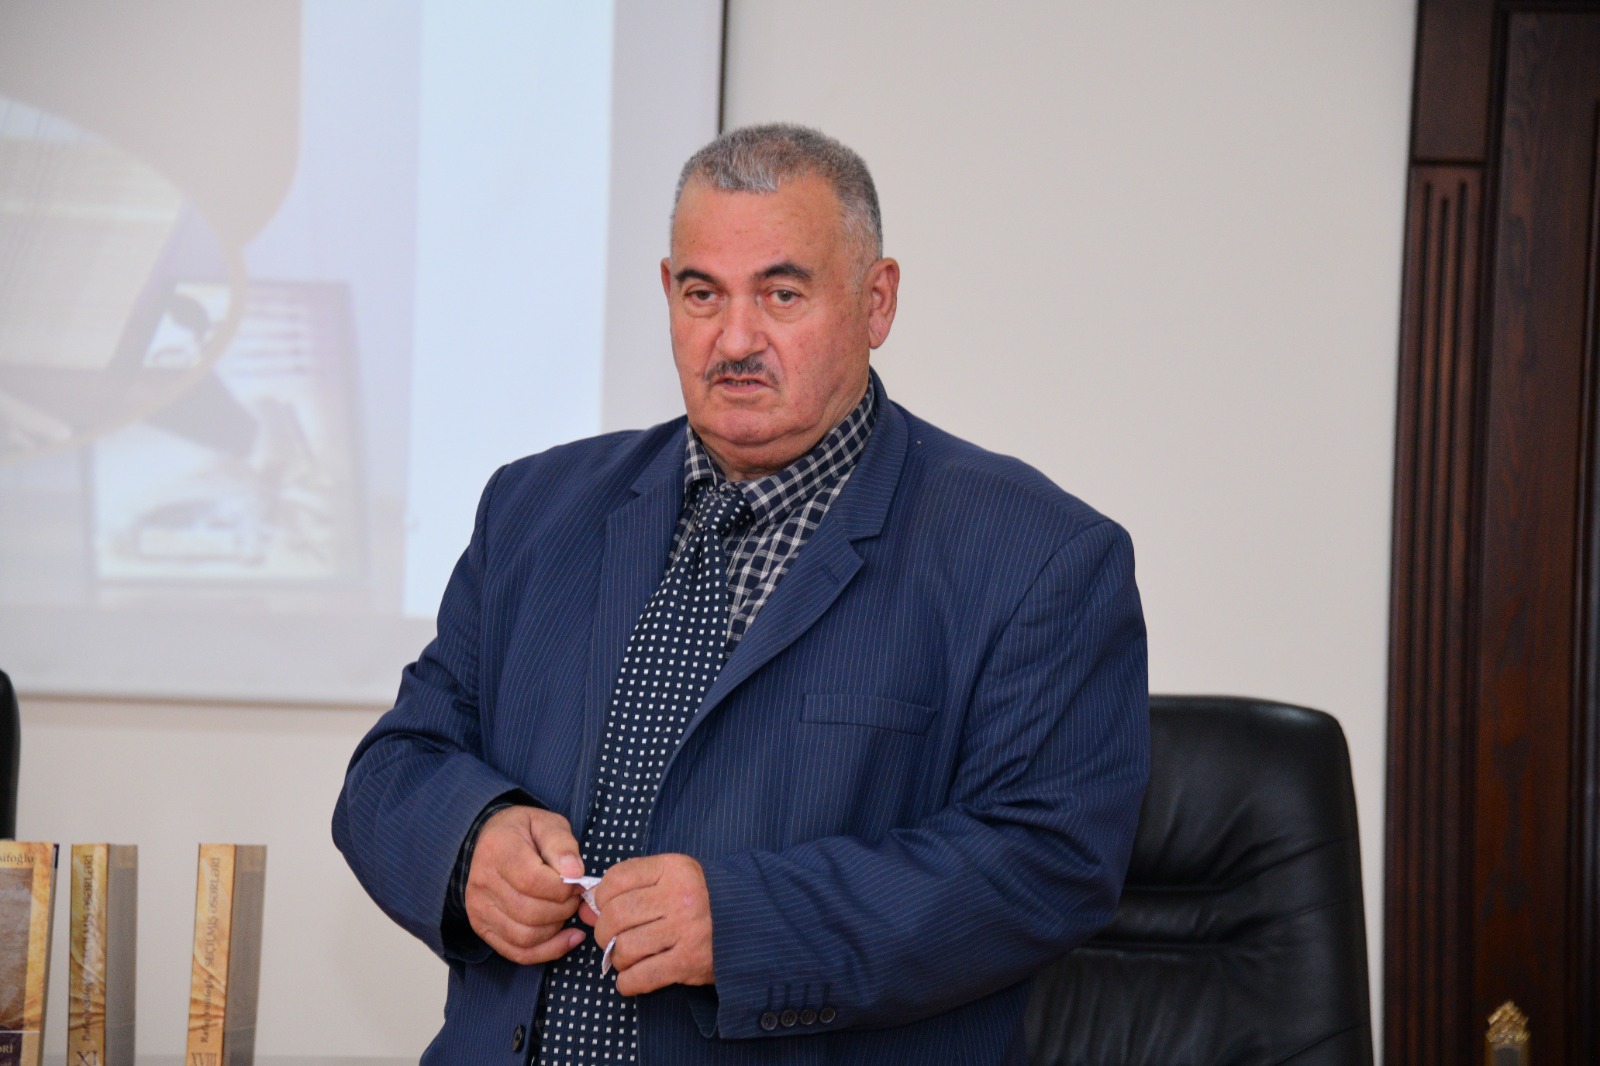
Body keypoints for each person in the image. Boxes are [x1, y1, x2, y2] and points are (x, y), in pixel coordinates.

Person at [333, 124, 1148, 1066]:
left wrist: (748, 924)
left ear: (876, 301)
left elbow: (1048, 863)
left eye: (782, 294)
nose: (734, 340)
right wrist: (469, 842)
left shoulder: (1039, 555)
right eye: (702, 293)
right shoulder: (533, 509)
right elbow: (394, 767)